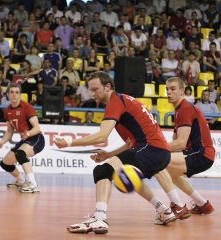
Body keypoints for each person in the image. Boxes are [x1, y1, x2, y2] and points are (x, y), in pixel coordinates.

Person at [53, 71, 185, 233]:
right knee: (127, 174)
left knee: (103, 170)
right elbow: (131, 143)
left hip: (152, 149)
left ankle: (100, 218)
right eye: (90, 90)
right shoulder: (124, 101)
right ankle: (163, 210)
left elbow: (101, 136)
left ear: (108, 86)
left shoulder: (115, 102)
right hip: (158, 151)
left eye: (96, 89)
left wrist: (68, 142)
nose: (92, 93)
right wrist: (109, 155)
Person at [157, 77, 215, 215]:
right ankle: (202, 204)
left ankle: (178, 206)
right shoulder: (178, 111)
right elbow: (176, 142)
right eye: (167, 89)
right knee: (170, 173)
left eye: (172, 89)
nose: (168, 92)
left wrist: (154, 150)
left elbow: (180, 143)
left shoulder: (185, 109)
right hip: (199, 153)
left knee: (158, 163)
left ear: (182, 91)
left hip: (202, 154)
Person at [0, 83, 45, 193]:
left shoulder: (27, 107)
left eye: (17, 92)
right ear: (7, 94)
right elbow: (9, 131)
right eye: (11, 92)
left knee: (20, 153)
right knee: (5, 163)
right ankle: (21, 181)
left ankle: (33, 184)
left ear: (20, 94)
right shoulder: (7, 110)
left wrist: (28, 133)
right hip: (25, 140)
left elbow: (37, 128)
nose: (14, 95)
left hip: (36, 139)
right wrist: (1, 142)